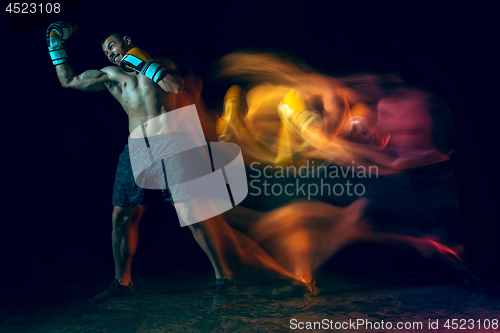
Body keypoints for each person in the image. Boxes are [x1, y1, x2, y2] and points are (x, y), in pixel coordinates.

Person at [47, 22, 311, 305]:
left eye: (112, 46)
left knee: (194, 215)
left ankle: (224, 278)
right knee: (121, 216)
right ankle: (122, 282)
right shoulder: (112, 76)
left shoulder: (161, 65)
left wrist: (140, 63)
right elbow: (69, 81)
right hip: (136, 148)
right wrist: (55, 47)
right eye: (105, 52)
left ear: (126, 40)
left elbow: (174, 85)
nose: (110, 54)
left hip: (171, 144)